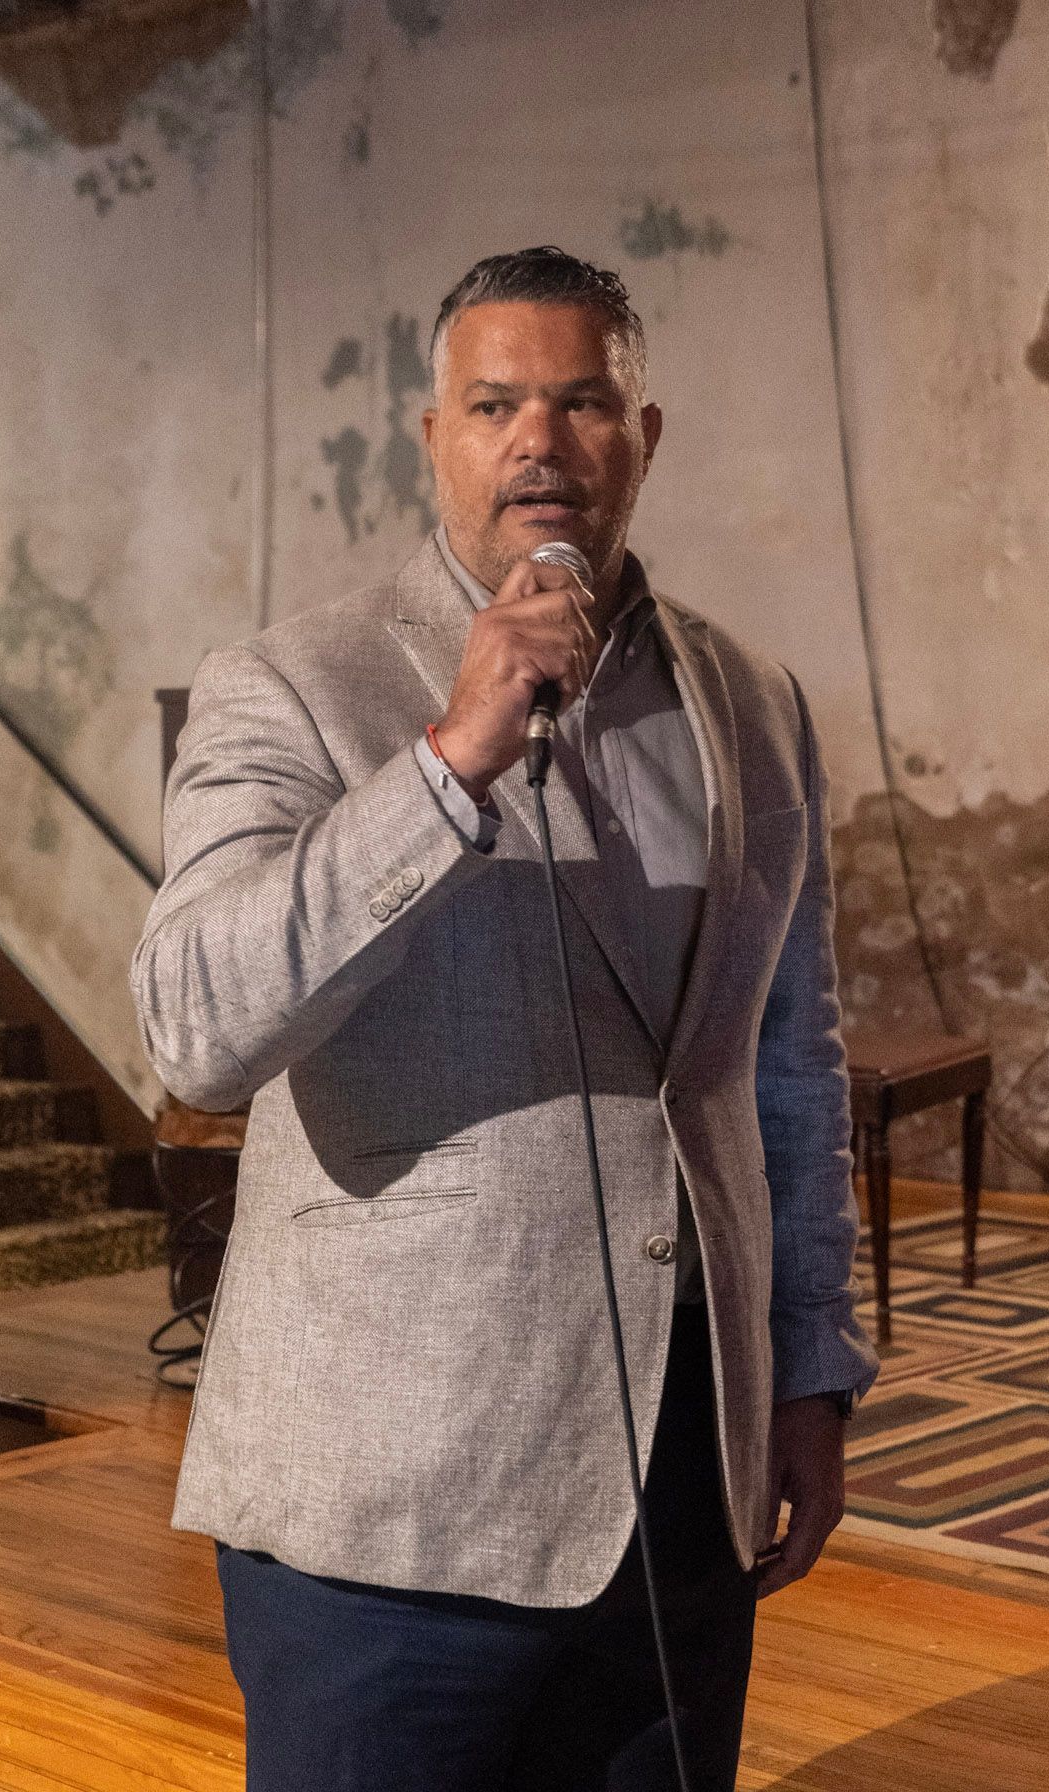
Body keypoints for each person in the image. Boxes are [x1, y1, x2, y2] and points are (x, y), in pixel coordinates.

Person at [130, 246, 878, 1791]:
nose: (538, 440)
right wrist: (447, 763)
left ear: (640, 436)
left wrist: (810, 1365)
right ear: (435, 441)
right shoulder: (291, 685)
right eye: (493, 404)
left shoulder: (752, 701)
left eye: (581, 399)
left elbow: (782, 1064)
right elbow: (197, 1029)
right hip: (390, 1515)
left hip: (679, 1481)